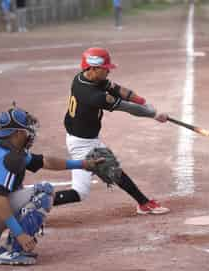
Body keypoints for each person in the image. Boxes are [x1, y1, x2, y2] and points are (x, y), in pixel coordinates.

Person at [0, 106, 102, 265]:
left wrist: (83, 164)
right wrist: (20, 233)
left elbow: (46, 161)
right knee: (43, 193)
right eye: (27, 130)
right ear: (17, 133)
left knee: (13, 189)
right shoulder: (9, 158)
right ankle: (13, 250)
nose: (31, 134)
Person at [55, 47, 170, 215]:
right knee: (84, 189)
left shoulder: (83, 78)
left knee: (113, 171)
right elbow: (127, 108)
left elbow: (118, 90)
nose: (108, 71)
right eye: (105, 68)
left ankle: (143, 202)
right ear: (93, 68)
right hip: (83, 144)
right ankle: (35, 202)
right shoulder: (92, 94)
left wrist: (142, 101)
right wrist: (153, 114)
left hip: (86, 138)